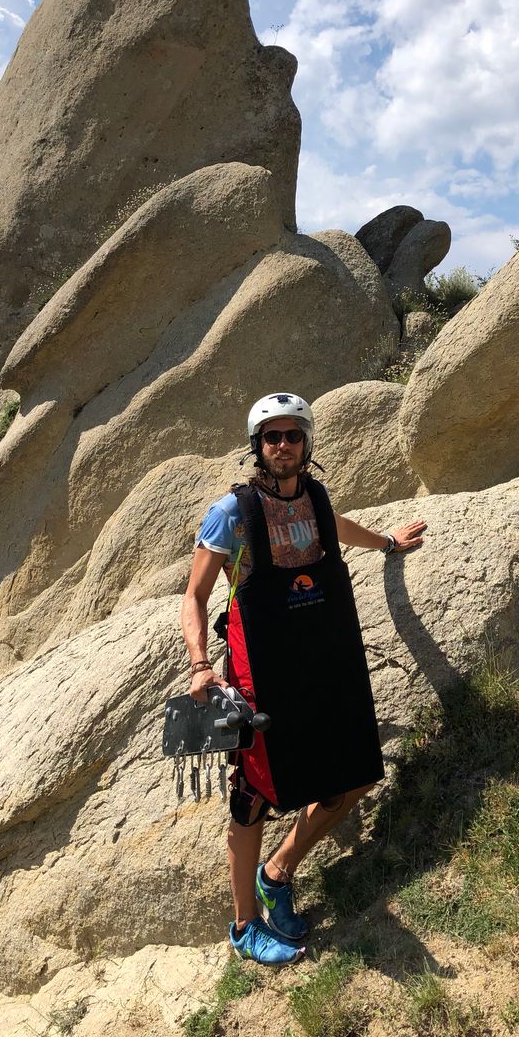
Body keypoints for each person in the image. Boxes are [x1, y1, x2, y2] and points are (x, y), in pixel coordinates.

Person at [180, 392, 426, 965]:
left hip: (320, 663)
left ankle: (278, 871)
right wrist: (199, 664)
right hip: (257, 678)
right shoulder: (232, 512)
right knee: (253, 799)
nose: (283, 446)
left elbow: (332, 527)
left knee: (354, 775)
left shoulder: (315, 496)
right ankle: (244, 926)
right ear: (258, 447)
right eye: (272, 437)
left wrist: (388, 541)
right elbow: (194, 595)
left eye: (292, 435)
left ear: (307, 441)